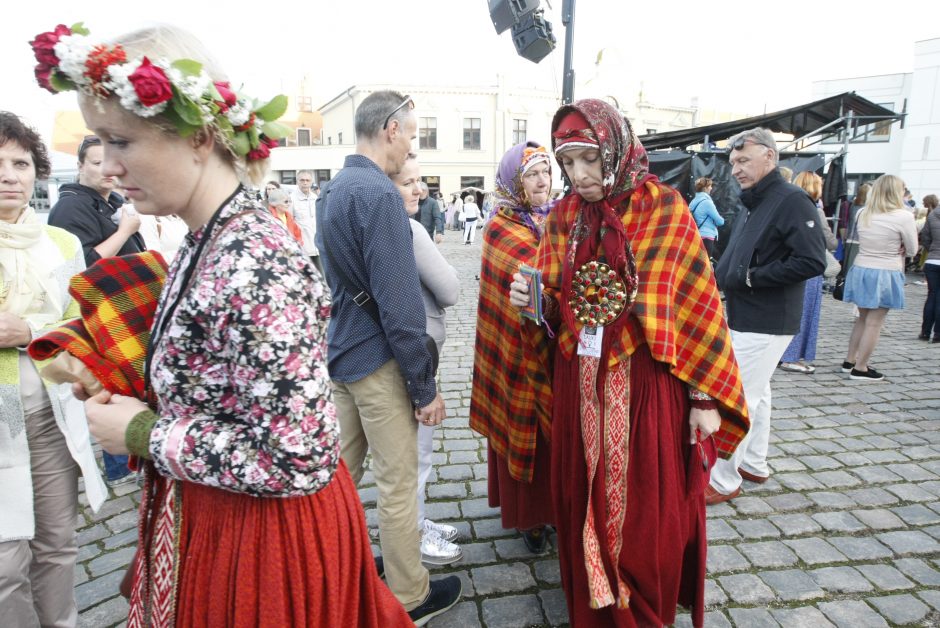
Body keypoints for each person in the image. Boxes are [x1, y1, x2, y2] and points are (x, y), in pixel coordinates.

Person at [31, 22, 413, 627]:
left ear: (200, 137)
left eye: (121, 140)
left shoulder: (252, 257)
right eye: (100, 143)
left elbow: (299, 457)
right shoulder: (210, 235)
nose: (106, 164)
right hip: (223, 518)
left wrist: (144, 435)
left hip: (262, 541)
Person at [509, 100, 748, 627]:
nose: (579, 175)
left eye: (588, 159)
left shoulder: (663, 207)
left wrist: (704, 397)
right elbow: (555, 304)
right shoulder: (566, 216)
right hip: (579, 384)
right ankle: (593, 608)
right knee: (580, 501)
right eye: (567, 163)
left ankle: (640, 611)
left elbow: (695, 306)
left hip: (647, 386)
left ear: (614, 147)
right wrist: (535, 304)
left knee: (645, 514)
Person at [316, 90, 461, 625]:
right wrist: (424, 388)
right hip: (378, 362)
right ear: (391, 130)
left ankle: (328, 569)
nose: (411, 149)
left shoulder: (334, 190)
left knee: (335, 478)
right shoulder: (378, 193)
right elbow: (401, 309)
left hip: (343, 352)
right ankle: (409, 595)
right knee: (397, 484)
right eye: (414, 135)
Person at [0, 110, 106, 628]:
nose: (9, 175)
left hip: (49, 417)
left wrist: (28, 332)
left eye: (20, 162)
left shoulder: (61, 244)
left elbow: (80, 323)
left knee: (58, 542)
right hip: (0, 423)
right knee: (5, 563)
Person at [708, 128, 827, 504]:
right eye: (733, 163)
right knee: (759, 394)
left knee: (738, 397)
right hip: (747, 313)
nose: (736, 170)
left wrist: (750, 277)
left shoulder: (791, 200)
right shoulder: (756, 199)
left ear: (770, 157)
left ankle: (723, 479)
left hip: (767, 317)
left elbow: (811, 261)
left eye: (744, 161)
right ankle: (754, 463)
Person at [470, 141, 556, 554]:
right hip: (516, 353)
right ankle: (530, 516)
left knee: (557, 438)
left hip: (558, 348)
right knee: (529, 431)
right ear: (514, 183)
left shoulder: (559, 219)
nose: (543, 181)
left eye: (547, 172)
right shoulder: (502, 226)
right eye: (532, 174)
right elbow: (538, 274)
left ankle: (556, 508)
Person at [48, 134, 144, 487]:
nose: (107, 170)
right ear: (80, 166)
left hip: (124, 312)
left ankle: (129, 460)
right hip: (102, 316)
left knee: (126, 387)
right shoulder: (71, 208)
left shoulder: (112, 201)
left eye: (111, 161)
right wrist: (125, 231)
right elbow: (79, 267)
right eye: (96, 162)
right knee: (110, 388)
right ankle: (121, 468)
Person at [391, 153, 461, 565]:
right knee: (417, 451)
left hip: (406, 352)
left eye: (420, 181)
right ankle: (413, 533)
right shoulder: (411, 230)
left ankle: (418, 521)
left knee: (413, 451)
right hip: (418, 353)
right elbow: (450, 289)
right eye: (408, 183)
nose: (419, 189)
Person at [842, 174, 918, 379]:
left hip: (862, 267)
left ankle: (850, 360)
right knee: (874, 323)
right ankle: (861, 367)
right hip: (886, 269)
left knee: (862, 319)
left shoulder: (863, 213)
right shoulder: (904, 216)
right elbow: (912, 249)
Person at [778, 171, 838, 374]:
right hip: (808, 269)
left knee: (790, 313)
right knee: (803, 314)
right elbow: (830, 242)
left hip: (787, 267)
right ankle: (791, 357)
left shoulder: (784, 206)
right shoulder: (813, 210)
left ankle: (784, 354)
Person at [292, 170, 321, 273]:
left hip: (317, 248)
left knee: (321, 278)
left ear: (311, 181)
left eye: (307, 180)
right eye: (302, 180)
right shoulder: (291, 199)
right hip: (302, 248)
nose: (305, 183)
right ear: (297, 181)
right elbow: (289, 223)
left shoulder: (315, 198)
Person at [688, 177, 724, 260]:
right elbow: (720, 222)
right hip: (707, 237)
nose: (711, 188)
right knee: (706, 263)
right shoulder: (707, 203)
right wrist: (721, 219)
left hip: (696, 236)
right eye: (710, 186)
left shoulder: (693, 202)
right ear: (705, 188)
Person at [920, 194, 940, 342]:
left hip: (932, 260)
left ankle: (925, 331)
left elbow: (925, 236)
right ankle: (938, 333)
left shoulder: (933, 215)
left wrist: (932, 249)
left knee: (932, 295)